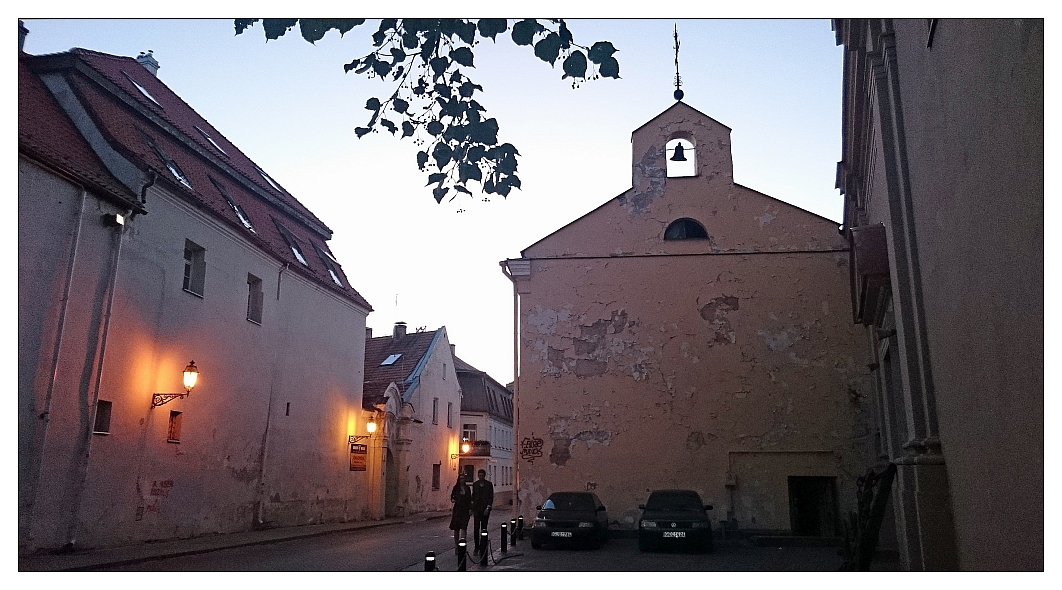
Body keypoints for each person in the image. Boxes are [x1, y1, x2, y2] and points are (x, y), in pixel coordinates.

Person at [471, 469, 494, 553]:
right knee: (476, 528)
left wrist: (488, 508)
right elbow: (473, 497)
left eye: (482, 475)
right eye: (479, 475)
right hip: (477, 510)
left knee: (484, 528)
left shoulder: (489, 485)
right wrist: (472, 508)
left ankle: (483, 546)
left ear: (484, 476)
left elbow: (490, 497)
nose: (480, 477)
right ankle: (476, 547)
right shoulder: (475, 485)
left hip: (485, 509)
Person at [449, 472, 472, 549]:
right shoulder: (456, 488)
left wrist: (470, 509)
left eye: (463, 478)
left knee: (464, 526)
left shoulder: (467, 488)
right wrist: (453, 499)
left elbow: (469, 499)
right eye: (461, 478)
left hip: (465, 509)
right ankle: (456, 545)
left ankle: (463, 543)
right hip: (458, 509)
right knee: (456, 527)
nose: (462, 480)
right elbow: (452, 496)